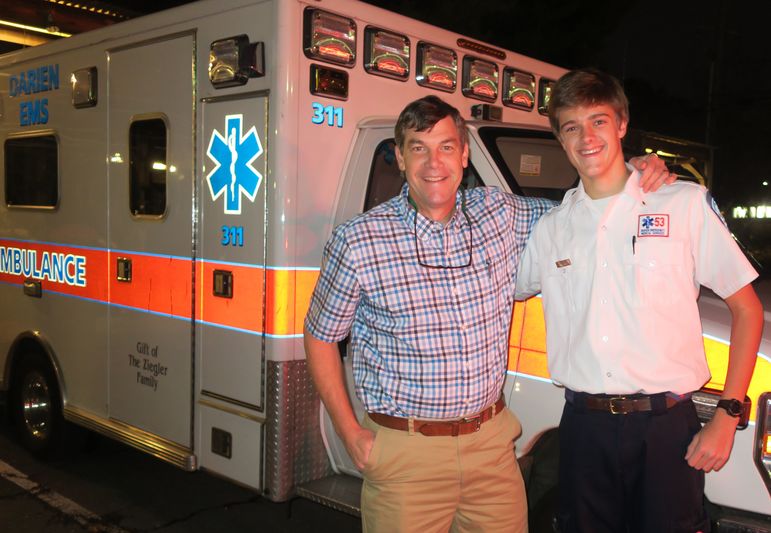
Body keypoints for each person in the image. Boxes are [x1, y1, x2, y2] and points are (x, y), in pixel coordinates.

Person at [304, 94, 673, 533]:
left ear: (464, 154)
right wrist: (351, 434)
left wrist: (631, 171)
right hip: (406, 452)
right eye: (417, 147)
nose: (432, 162)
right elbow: (321, 335)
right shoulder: (359, 240)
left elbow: (582, 213)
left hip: (492, 449)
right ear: (399, 158)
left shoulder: (499, 212)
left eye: (445, 146)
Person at [515, 68, 764, 533]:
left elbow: (747, 308)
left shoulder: (682, 204)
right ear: (559, 138)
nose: (586, 137)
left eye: (598, 121)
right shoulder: (549, 231)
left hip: (666, 428)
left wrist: (728, 415)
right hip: (583, 428)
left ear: (623, 124)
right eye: (571, 126)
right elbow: (503, 288)